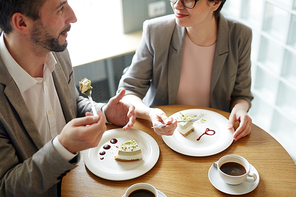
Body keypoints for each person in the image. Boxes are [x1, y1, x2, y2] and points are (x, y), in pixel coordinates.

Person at [0, 0, 135, 196]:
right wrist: (62, 148)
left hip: (84, 183)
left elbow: (70, 103)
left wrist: (103, 111)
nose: (73, 17)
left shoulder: (57, 50)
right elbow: (6, 188)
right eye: (61, 8)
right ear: (21, 23)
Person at [118, 0, 253, 141]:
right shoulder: (155, 31)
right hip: (165, 135)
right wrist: (150, 113)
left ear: (215, 3)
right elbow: (128, 91)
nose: (177, 5)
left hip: (214, 136)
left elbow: (242, 94)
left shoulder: (240, 35)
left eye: (188, 0)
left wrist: (241, 108)